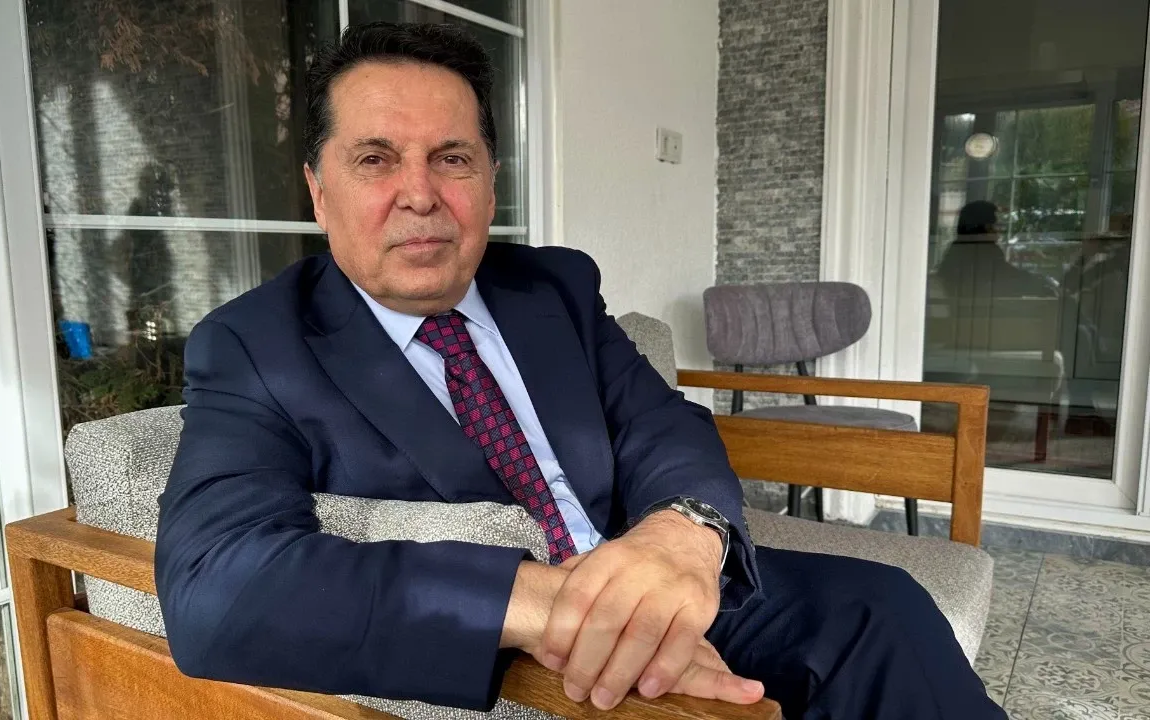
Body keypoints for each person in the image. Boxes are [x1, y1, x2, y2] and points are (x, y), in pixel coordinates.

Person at [154, 22, 1007, 719]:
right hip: (521, 646)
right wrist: (557, 604)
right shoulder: (254, 344)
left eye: (452, 158)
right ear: (318, 189)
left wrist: (683, 534)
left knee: (886, 609)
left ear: (490, 182)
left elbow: (661, 423)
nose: (420, 193)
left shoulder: (551, 288)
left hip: (657, 574)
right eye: (375, 159)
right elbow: (214, 585)